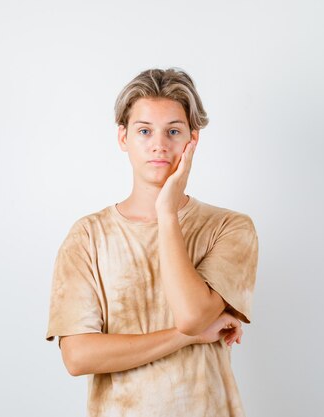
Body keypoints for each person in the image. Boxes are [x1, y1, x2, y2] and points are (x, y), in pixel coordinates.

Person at [45, 67, 259, 417]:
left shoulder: (230, 228)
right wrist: (187, 337)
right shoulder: (87, 236)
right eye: (144, 130)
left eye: (173, 131)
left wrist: (167, 214)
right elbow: (78, 356)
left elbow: (192, 316)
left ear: (193, 139)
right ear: (123, 137)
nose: (159, 144)